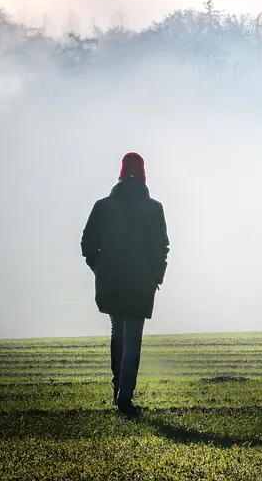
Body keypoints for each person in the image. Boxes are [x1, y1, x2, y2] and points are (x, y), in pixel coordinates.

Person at [81, 152, 169, 416]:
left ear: (120, 173)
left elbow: (87, 245)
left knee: (117, 333)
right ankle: (125, 398)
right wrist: (156, 275)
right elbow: (161, 247)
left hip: (112, 280)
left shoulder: (103, 206)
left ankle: (118, 389)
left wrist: (100, 269)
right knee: (133, 339)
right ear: (143, 175)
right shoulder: (154, 208)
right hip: (141, 282)